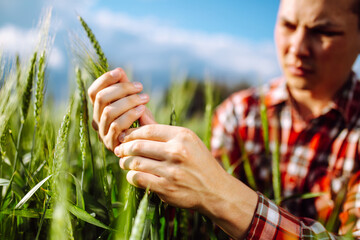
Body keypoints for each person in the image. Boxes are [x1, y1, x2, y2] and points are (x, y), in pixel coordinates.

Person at [87, 0, 360, 238]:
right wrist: (146, 147)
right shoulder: (239, 114)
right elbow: (195, 227)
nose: (297, 47)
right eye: (288, 25)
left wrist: (223, 196)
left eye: (324, 31)